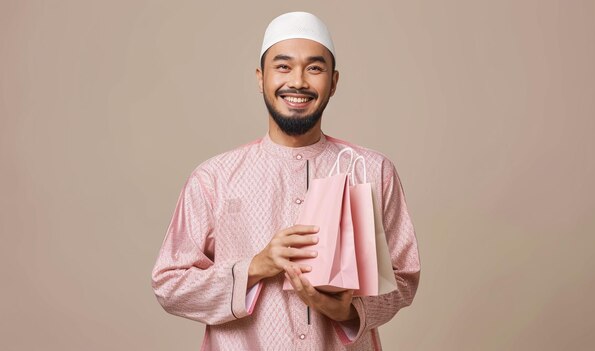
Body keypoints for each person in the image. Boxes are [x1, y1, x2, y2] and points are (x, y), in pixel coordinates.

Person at [151, 11, 420, 350]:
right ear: (261, 78)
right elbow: (169, 284)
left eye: (315, 68)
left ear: (334, 82)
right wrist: (254, 267)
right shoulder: (213, 178)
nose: (298, 82)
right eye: (283, 66)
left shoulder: (372, 170)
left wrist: (350, 310)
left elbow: (404, 276)